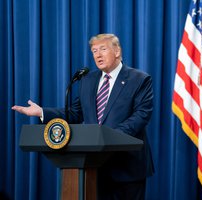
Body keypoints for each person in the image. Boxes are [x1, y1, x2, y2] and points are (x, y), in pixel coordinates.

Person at [12, 33, 154, 200]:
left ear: (117, 51)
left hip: (128, 167)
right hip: (94, 166)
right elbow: (75, 113)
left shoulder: (139, 79)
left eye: (103, 49)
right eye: (94, 51)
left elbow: (141, 115)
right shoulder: (88, 80)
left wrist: (109, 137)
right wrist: (42, 112)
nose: (98, 55)